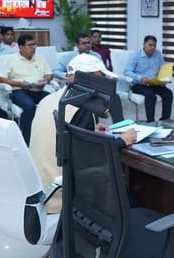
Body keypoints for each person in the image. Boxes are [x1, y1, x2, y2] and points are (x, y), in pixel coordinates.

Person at [30, 53, 137, 214]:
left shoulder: (49, 99)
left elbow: (67, 135)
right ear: (88, 78)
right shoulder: (81, 108)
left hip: (41, 187)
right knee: (127, 192)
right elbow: (92, 158)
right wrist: (123, 140)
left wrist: (90, 130)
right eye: (101, 78)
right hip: (63, 197)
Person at [0, 34, 52, 145]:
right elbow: (0, 78)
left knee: (52, 102)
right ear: (21, 47)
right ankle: (27, 139)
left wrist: (44, 81)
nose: (33, 47)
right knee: (29, 106)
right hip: (19, 90)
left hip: (37, 89)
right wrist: (19, 83)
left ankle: (48, 135)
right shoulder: (11, 59)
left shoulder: (39, 58)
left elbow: (49, 74)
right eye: (30, 45)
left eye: (34, 45)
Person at [124, 35, 173, 122]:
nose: (152, 47)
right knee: (151, 96)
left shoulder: (158, 54)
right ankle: (151, 122)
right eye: (150, 45)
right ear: (143, 45)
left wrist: (165, 79)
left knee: (168, 93)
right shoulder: (135, 55)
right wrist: (140, 78)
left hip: (153, 83)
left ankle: (165, 120)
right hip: (139, 84)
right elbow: (127, 72)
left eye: (154, 45)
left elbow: (162, 68)